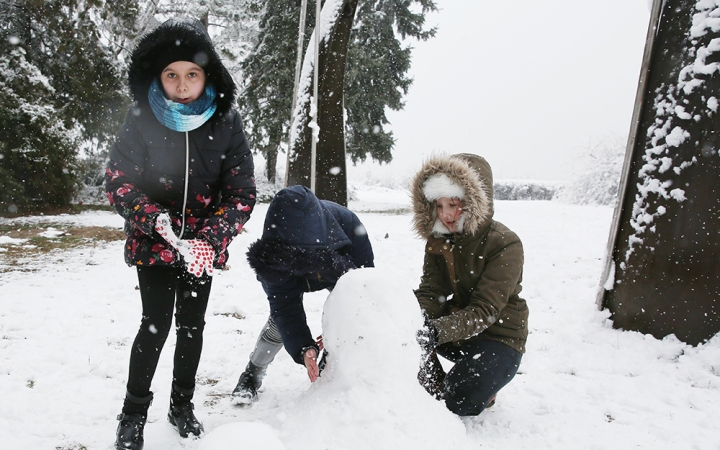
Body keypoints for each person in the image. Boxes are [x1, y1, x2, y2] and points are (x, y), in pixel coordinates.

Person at [105, 18, 256, 450]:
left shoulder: (225, 122)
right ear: (159, 78)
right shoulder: (142, 119)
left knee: (192, 326)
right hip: (155, 243)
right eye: (172, 74)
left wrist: (210, 239)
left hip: (201, 251)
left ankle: (182, 405)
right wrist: (154, 220)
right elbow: (118, 180)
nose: (182, 84)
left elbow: (242, 191)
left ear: (207, 76)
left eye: (192, 73)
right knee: (154, 324)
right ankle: (133, 413)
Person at [231, 185, 374, 404]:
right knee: (279, 325)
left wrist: (335, 328)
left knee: (351, 315)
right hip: (290, 270)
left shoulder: (349, 226)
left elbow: (364, 292)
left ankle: (339, 372)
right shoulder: (273, 256)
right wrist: (305, 348)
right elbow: (286, 310)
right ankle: (252, 375)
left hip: (336, 269)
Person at [411, 153, 528, 416]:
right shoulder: (439, 238)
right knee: (411, 337)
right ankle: (435, 382)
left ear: (476, 202)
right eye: (439, 206)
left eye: (454, 204)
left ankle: (486, 385)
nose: (446, 215)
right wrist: (412, 320)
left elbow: (485, 309)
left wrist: (434, 332)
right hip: (457, 331)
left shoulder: (505, 243)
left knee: (459, 401)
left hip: (499, 337)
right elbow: (432, 291)